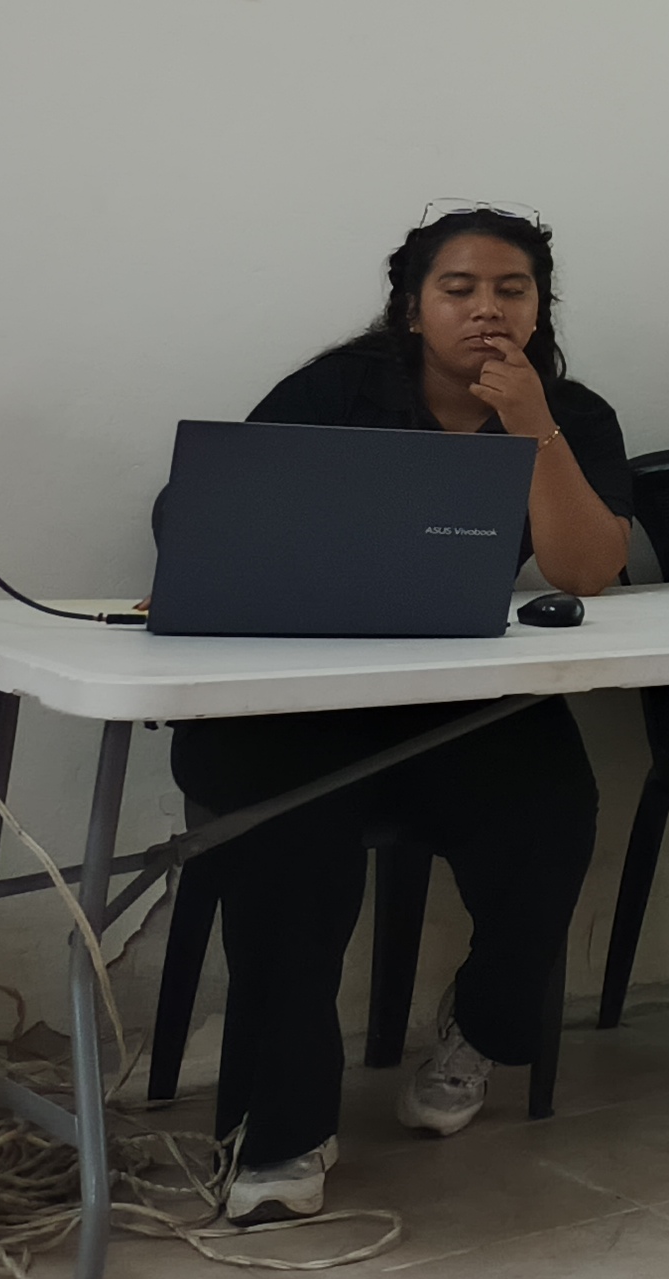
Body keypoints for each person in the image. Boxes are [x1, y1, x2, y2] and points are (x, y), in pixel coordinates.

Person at [172, 210, 624, 1225]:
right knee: (290, 850)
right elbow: (216, 510)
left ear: (540, 307)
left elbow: (588, 569)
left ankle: (480, 1028)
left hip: (459, 698)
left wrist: (535, 427)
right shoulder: (335, 393)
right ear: (413, 308)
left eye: (511, 289)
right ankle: (284, 1127)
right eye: (458, 289)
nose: (486, 309)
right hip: (307, 698)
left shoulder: (572, 413)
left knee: (554, 816)